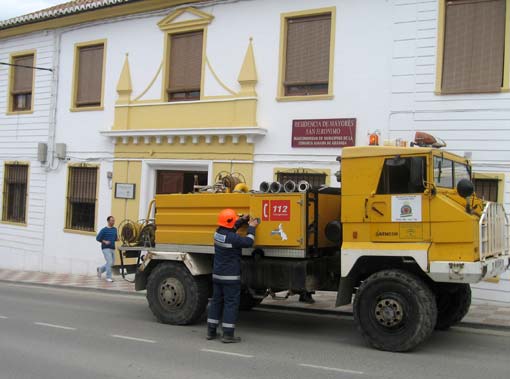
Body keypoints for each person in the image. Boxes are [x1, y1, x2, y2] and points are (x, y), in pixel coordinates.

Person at [207, 209, 259, 343]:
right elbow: (248, 242)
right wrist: (252, 228)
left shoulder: (217, 233)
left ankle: (211, 331)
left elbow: (230, 228)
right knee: (230, 304)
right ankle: (228, 335)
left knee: (216, 302)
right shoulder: (232, 238)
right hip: (230, 277)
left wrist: (242, 220)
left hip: (218, 276)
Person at [96, 216, 119, 282]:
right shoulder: (104, 230)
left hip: (112, 248)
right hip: (105, 248)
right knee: (109, 261)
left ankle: (100, 269)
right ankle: (108, 277)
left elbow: (115, 238)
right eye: (112, 220)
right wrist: (105, 241)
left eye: (114, 220)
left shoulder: (115, 229)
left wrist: (117, 239)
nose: (113, 222)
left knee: (111, 263)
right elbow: (98, 238)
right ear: (108, 221)